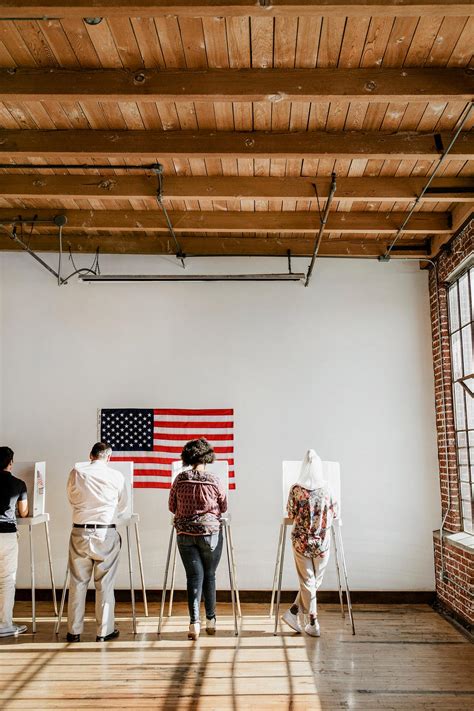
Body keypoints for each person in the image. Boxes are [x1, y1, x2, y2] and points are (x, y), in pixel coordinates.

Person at [66, 442, 128, 643]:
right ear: (108, 457)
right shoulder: (116, 476)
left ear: (90, 455)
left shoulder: (76, 472)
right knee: (105, 583)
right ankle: (104, 631)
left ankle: (73, 631)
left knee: (77, 582)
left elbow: (71, 497)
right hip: (105, 531)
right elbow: (123, 504)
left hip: (80, 530)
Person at [168, 438, 227, 640]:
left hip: (185, 534)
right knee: (209, 575)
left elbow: (171, 506)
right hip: (210, 534)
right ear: (207, 457)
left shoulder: (180, 479)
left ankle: (194, 624)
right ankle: (211, 621)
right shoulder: (214, 479)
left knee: (194, 578)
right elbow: (224, 506)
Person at [282, 449, 338, 637]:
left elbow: (290, 514)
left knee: (308, 582)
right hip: (322, 543)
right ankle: (309, 620)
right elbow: (335, 513)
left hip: (301, 542)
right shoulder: (328, 488)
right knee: (314, 582)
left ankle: (299, 614)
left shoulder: (296, 490)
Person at [0, 446, 29, 638]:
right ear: (11, 463)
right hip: (7, 535)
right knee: (6, 580)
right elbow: (24, 512)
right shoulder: (19, 484)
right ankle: (4, 624)